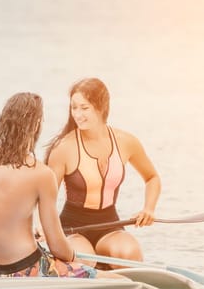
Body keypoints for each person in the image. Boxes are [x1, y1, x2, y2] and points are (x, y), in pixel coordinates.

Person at [0, 92, 123, 279]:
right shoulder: (40, 173)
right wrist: (73, 259)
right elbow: (57, 246)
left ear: (3, 120)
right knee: (122, 281)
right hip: (31, 268)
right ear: (36, 125)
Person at [44, 78, 161, 268]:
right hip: (72, 228)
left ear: (101, 106)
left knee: (129, 254)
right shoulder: (64, 148)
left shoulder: (126, 141)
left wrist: (149, 209)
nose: (78, 114)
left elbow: (152, 178)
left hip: (109, 225)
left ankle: (112, 272)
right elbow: (46, 197)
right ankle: (87, 267)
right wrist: (45, 227)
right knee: (84, 261)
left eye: (84, 108)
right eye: (74, 108)